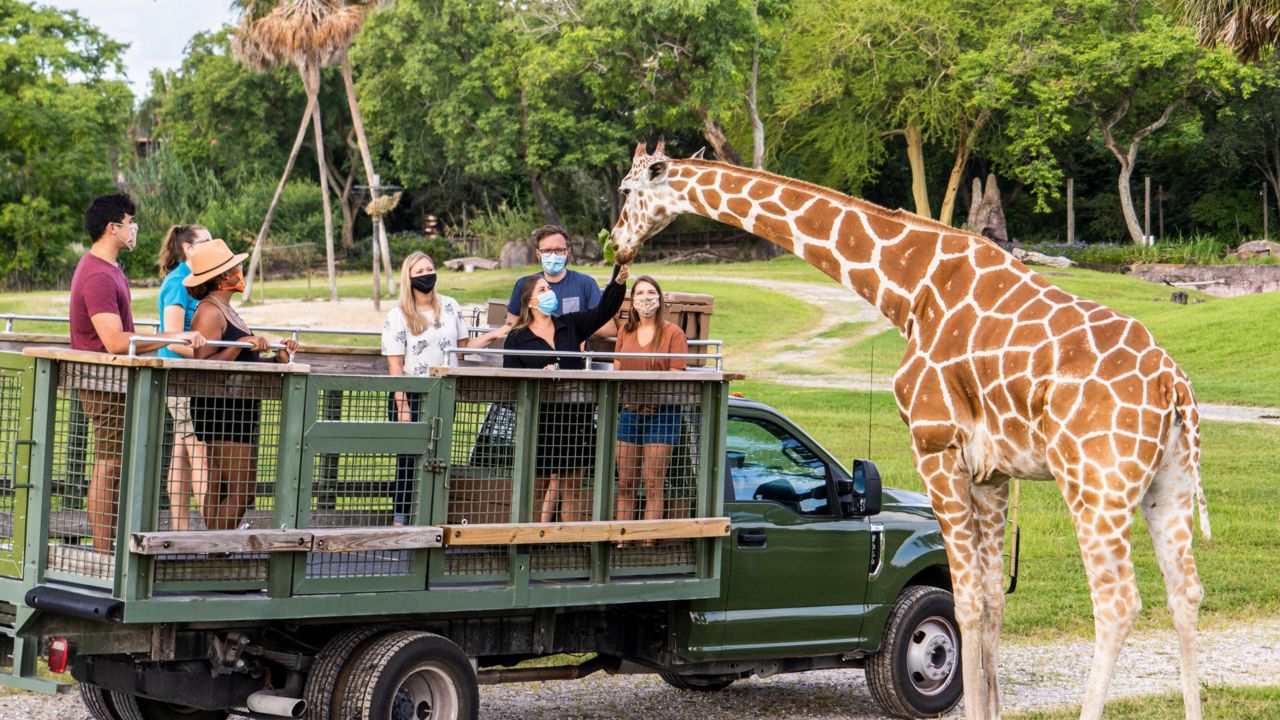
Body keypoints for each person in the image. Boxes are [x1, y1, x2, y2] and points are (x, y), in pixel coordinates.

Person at [69, 194, 206, 551]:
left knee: (118, 464)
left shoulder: (110, 269)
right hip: (103, 383)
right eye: (131, 223)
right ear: (113, 227)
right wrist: (173, 335)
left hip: (117, 381)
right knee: (110, 463)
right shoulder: (97, 274)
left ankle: (112, 548)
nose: (134, 230)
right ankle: (103, 552)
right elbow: (114, 341)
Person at [382, 252, 504, 526]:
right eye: (420, 270)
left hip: (444, 391)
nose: (427, 274)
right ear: (409, 278)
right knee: (408, 458)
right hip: (412, 392)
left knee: (439, 454)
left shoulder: (449, 306)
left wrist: (493, 335)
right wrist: (403, 405)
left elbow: (462, 348)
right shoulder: (397, 315)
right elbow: (395, 366)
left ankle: (432, 514)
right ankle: (401, 516)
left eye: (430, 268)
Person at [185, 239, 298, 532]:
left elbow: (244, 361)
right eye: (236, 267)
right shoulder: (209, 312)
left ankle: (214, 552)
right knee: (242, 490)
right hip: (222, 410)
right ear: (222, 277)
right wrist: (239, 345)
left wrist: (277, 360)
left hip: (240, 405)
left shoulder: (227, 310)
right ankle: (216, 551)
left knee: (221, 487)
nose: (240, 270)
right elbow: (205, 363)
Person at [504, 263, 629, 522]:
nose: (550, 291)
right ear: (529, 301)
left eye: (549, 287)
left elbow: (603, 311)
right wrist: (538, 378)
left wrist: (617, 282)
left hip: (576, 421)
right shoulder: (517, 339)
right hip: (539, 425)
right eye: (543, 288)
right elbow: (509, 388)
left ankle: (566, 550)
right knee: (535, 490)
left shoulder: (569, 325)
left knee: (571, 488)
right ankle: (529, 546)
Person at [613, 277, 690, 533]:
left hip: (662, 415)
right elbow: (618, 371)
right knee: (626, 482)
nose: (646, 298)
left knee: (652, 481)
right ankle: (622, 540)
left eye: (651, 292)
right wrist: (630, 402)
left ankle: (647, 541)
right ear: (633, 300)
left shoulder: (673, 333)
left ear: (659, 298)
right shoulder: (625, 331)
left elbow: (676, 376)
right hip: (630, 413)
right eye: (640, 293)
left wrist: (654, 402)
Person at [157, 224, 213, 532]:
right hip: (182, 379)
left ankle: (180, 531)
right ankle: (211, 533)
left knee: (182, 451)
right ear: (188, 248)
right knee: (199, 452)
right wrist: (213, 356)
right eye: (205, 240)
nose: (212, 244)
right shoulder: (178, 282)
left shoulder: (195, 281)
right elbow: (174, 339)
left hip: (191, 378)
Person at [504, 225, 607, 329]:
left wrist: (570, 328)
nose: (553, 255)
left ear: (568, 252)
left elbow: (607, 328)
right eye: (547, 250)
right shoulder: (524, 285)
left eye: (559, 250)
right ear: (538, 254)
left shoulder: (586, 284)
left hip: (571, 344)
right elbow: (510, 324)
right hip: (534, 345)